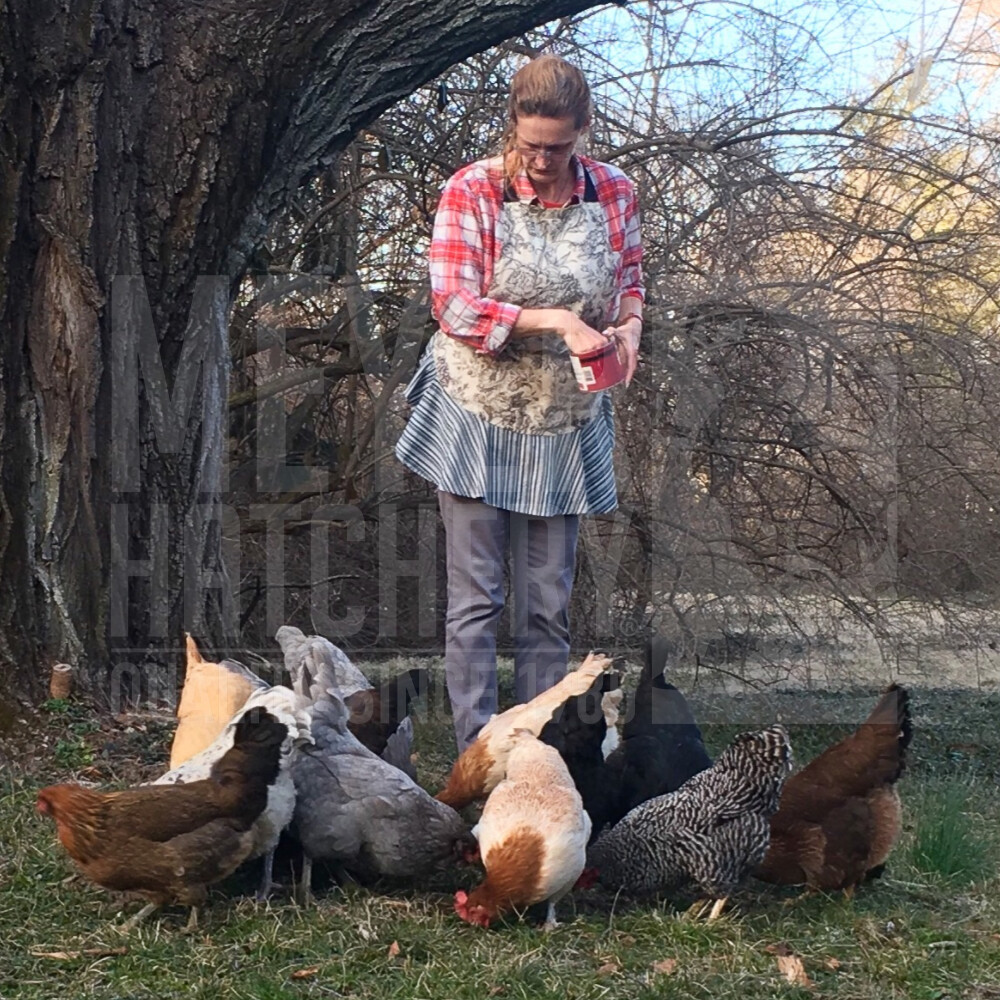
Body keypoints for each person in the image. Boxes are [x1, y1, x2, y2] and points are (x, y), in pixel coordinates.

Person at [396, 54, 644, 750]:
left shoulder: (615, 192)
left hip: (564, 418)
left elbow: (630, 279)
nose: (542, 160)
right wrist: (560, 321)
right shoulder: (471, 189)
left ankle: (534, 753)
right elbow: (455, 308)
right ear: (513, 126)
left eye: (558, 147)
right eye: (532, 144)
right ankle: (479, 757)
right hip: (477, 410)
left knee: (547, 607)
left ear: (583, 133)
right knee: (477, 602)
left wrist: (629, 327)